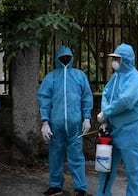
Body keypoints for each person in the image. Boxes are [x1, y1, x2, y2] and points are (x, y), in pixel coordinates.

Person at [37, 45, 93, 196]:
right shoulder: (51, 77)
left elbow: (86, 97)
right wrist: (45, 122)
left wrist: (87, 117)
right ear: (57, 59)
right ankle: (55, 186)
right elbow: (44, 99)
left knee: (76, 156)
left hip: (75, 124)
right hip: (56, 124)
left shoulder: (80, 76)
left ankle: (80, 187)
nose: (65, 60)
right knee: (55, 155)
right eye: (62, 58)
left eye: (68, 57)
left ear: (72, 58)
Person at [96, 43, 138, 196]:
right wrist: (105, 117)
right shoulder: (116, 77)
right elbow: (106, 94)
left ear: (126, 60)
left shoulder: (136, 80)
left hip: (131, 132)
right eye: (114, 58)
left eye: (117, 58)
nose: (114, 61)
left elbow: (125, 100)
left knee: (133, 172)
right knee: (105, 167)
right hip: (112, 129)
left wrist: (106, 113)